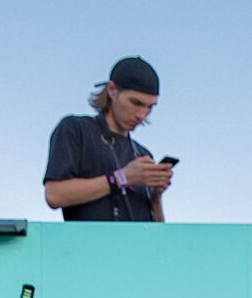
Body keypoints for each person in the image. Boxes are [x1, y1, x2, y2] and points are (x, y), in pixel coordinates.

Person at [43, 57, 174, 223]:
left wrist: (155, 197)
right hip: (88, 246)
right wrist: (122, 178)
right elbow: (55, 195)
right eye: (136, 103)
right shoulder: (76, 129)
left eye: (149, 107)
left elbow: (157, 232)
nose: (142, 115)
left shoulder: (142, 154)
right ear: (112, 90)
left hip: (138, 248)